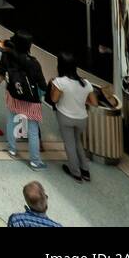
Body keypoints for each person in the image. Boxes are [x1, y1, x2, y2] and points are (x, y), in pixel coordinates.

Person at [0, 31, 48, 169]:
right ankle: (35, 161)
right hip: (31, 99)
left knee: (11, 121)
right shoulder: (33, 63)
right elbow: (42, 85)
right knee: (33, 130)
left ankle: (12, 149)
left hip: (13, 94)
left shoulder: (7, 55)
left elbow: (2, 73)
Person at [50, 51, 96, 183]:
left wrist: (53, 86)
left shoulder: (60, 82)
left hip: (65, 117)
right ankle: (85, 170)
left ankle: (75, 172)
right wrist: (80, 100)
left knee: (69, 145)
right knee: (77, 142)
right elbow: (94, 103)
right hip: (82, 118)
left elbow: (54, 99)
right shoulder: (85, 83)